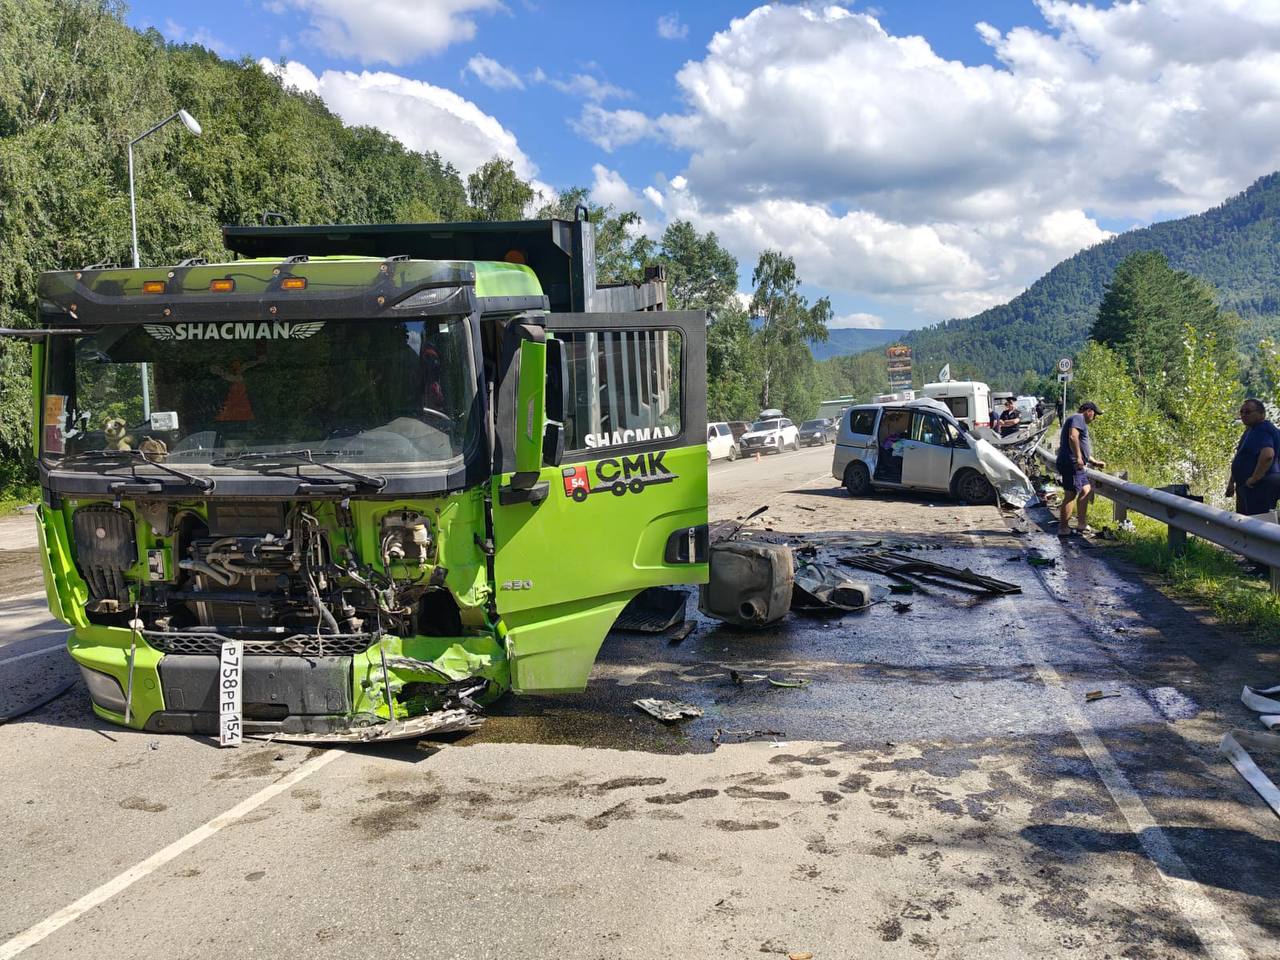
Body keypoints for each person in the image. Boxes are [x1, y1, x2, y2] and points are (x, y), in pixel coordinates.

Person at [1056, 401, 1106, 537]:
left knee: (1086, 490)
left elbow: (1082, 446)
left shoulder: (1079, 421)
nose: (1094, 418)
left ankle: (1081, 524)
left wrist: (1094, 461)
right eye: (1094, 415)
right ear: (1089, 411)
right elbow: (1073, 437)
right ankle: (1063, 528)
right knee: (1071, 494)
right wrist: (1078, 457)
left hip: (1076, 463)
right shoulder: (1078, 418)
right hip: (1072, 463)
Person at [1226, 398, 1280, 515]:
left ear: (1262, 414)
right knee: (1247, 522)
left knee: (1256, 522)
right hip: (1247, 486)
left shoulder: (1263, 429)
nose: (1244, 415)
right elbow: (1241, 457)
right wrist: (1232, 482)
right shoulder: (1251, 431)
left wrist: (1255, 478)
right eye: (1242, 412)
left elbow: (1268, 455)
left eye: (1248, 412)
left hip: (1259, 486)